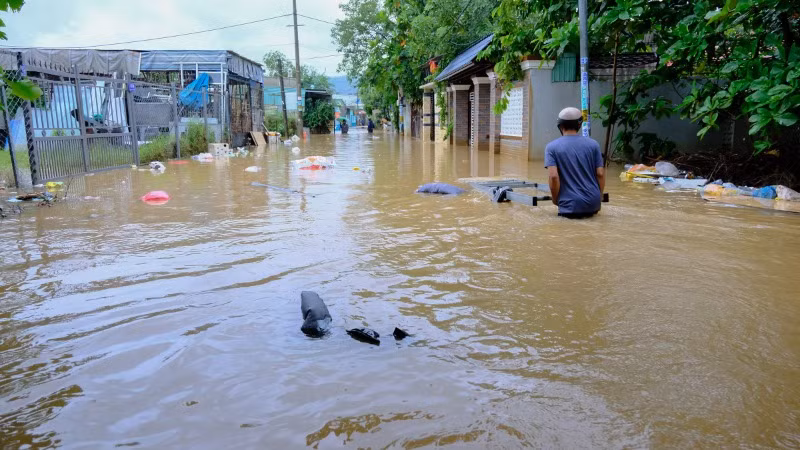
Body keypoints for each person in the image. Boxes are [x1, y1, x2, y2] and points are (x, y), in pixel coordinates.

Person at [544, 107, 605, 219]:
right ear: (579, 125)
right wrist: (599, 197)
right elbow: (600, 174)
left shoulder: (551, 147)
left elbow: (553, 177)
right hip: (593, 203)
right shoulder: (594, 144)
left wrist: (555, 199)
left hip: (569, 206)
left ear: (560, 126)